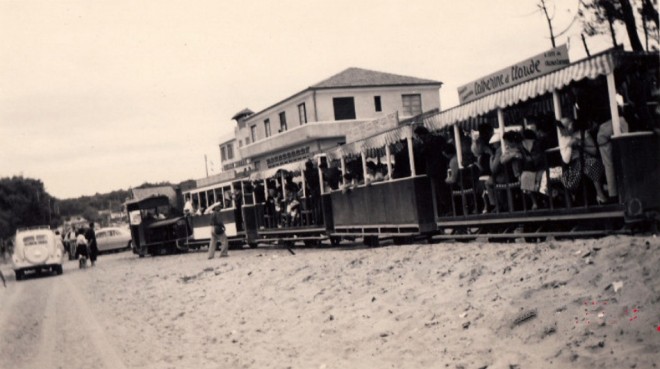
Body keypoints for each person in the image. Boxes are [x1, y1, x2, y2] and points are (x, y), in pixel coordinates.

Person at [558, 117, 607, 204]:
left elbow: (594, 151)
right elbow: (566, 159)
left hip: (587, 160)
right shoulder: (564, 138)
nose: (562, 131)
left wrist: (581, 146)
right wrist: (570, 145)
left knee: (591, 164)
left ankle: (600, 194)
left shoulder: (583, 133)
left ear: (571, 125)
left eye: (565, 127)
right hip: (573, 165)